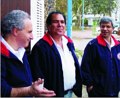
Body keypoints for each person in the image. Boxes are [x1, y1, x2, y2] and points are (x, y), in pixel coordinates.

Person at [1, 10, 56, 97]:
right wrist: (29, 91)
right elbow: (2, 91)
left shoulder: (21, 52)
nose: (32, 36)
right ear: (15, 31)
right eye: (29, 32)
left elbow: (22, 82)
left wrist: (36, 89)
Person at [29, 11, 82, 97]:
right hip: (52, 95)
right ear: (48, 26)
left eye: (62, 22)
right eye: (55, 22)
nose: (60, 25)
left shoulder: (68, 42)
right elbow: (37, 74)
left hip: (69, 93)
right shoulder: (40, 47)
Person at [81, 16, 120, 97]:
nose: (105, 29)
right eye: (103, 26)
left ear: (113, 28)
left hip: (114, 90)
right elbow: (85, 66)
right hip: (97, 92)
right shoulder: (93, 45)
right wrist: (90, 85)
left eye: (108, 26)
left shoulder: (118, 46)